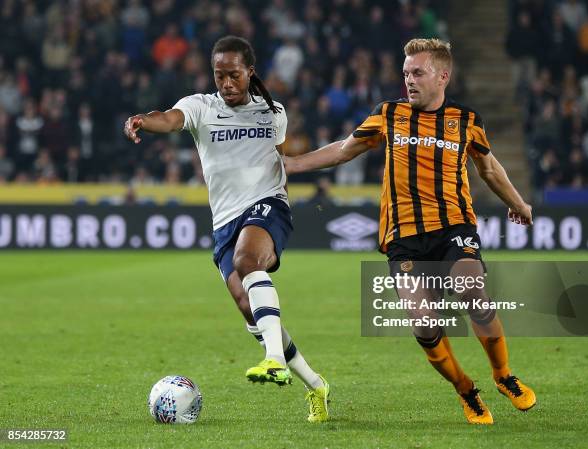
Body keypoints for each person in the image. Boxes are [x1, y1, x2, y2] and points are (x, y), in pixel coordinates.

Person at [284, 38, 536, 425]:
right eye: (405, 73)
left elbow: (488, 169)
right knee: (424, 322)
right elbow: (343, 149)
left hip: (454, 226)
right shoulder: (388, 114)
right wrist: (292, 164)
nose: (409, 80)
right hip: (403, 238)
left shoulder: (466, 121)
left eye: (417, 72)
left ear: (442, 76)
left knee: (473, 290)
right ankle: (466, 390)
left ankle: (504, 376)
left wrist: (517, 203)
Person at [124, 35, 330, 423]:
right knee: (249, 307)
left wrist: (281, 202)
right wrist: (142, 121)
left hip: (268, 206)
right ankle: (315, 384)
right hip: (224, 221)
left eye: (234, 75)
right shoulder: (200, 107)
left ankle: (272, 360)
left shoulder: (273, 112)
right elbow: (170, 119)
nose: (227, 83)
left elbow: (280, 162)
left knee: (248, 259)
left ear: (250, 72)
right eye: (220, 76)